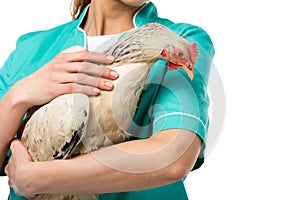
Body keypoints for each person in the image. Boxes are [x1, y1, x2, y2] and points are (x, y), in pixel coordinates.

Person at [0, 0, 215, 199]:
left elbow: (173, 157)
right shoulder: (30, 49)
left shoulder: (179, 40)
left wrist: (37, 179)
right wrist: (17, 97)